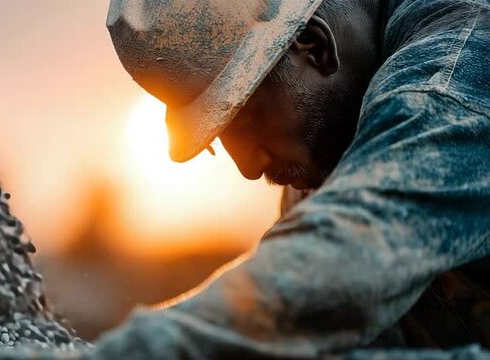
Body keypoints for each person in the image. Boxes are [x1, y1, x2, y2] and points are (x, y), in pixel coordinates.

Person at [94, 0, 490, 358]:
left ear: (314, 46)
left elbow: (355, 247)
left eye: (244, 120)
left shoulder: (454, 78)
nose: (247, 169)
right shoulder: (320, 173)